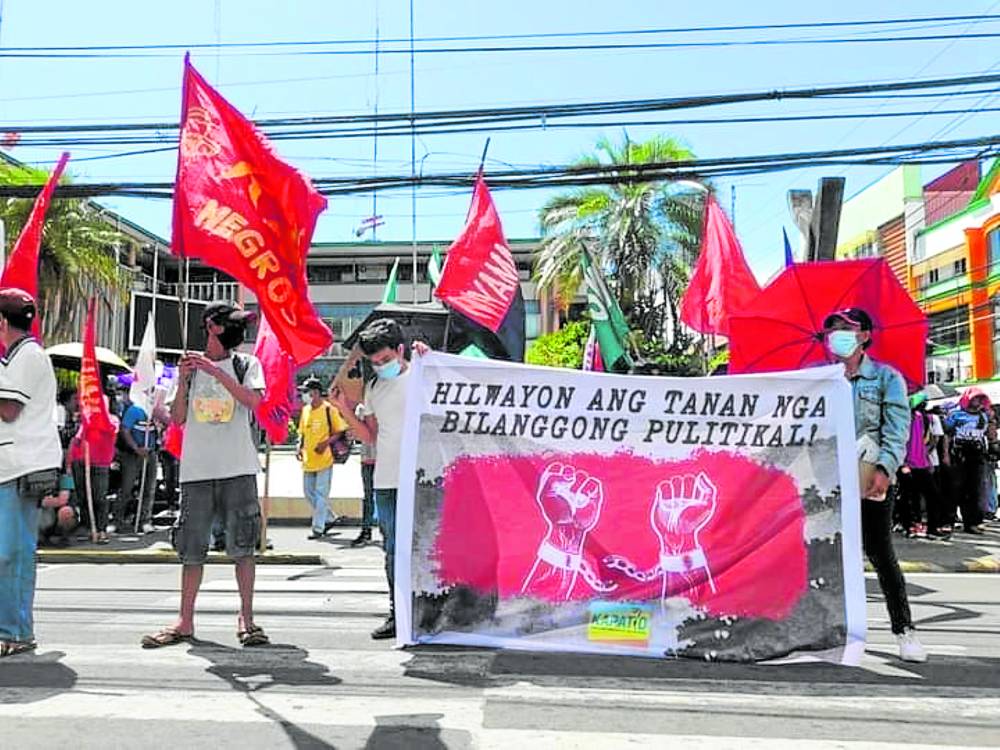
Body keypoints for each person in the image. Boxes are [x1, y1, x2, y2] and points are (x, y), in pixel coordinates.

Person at [141, 301, 268, 649]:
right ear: (212, 325)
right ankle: (184, 621)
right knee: (191, 549)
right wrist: (184, 380)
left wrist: (216, 372)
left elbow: (252, 402)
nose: (239, 332)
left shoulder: (247, 364)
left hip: (238, 469)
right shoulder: (190, 367)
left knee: (243, 546)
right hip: (196, 472)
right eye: (233, 324)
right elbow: (178, 417)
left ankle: (247, 618)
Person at [823, 307, 926, 663]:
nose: (839, 333)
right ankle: (827, 630)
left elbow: (896, 429)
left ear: (865, 334)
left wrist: (884, 468)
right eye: (833, 328)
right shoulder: (817, 378)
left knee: (880, 554)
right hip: (826, 482)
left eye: (847, 328)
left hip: (870, 477)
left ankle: (905, 630)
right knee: (824, 555)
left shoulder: (885, 378)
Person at [330, 320, 427, 640]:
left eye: (385, 360)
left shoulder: (424, 374)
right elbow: (369, 435)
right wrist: (344, 409)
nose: (381, 366)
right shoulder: (374, 388)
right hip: (386, 480)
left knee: (424, 547)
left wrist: (429, 358)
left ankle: (428, 611)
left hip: (424, 478)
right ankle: (397, 612)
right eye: (375, 363)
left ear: (401, 351)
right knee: (392, 550)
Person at [0, 289, 65, 657]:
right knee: (15, 551)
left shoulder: (25, 356)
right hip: (16, 462)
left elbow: (9, 409)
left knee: (10, 552)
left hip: (17, 464)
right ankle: (16, 628)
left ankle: (13, 630)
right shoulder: (20, 355)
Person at [296, 376, 348, 540]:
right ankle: (330, 518)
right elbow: (302, 432)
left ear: (316, 392)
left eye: (307, 391)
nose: (305, 395)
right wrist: (299, 446)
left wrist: (325, 443)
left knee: (320, 494)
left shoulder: (328, 409)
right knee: (308, 492)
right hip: (308, 459)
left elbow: (339, 431)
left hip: (325, 459)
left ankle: (318, 528)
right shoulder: (305, 410)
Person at [897, 393, 947, 539]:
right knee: (907, 496)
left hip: (921, 463)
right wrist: (903, 464)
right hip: (905, 464)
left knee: (933, 495)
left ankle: (932, 529)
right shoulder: (900, 420)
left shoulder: (923, 418)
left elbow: (924, 442)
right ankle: (909, 527)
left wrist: (927, 461)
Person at [67, 409, 119, 544]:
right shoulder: (85, 420)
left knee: (99, 497)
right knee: (83, 496)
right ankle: (88, 527)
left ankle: (101, 528)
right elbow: (76, 440)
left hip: (100, 462)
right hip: (81, 461)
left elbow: (112, 429)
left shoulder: (112, 419)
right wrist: (69, 464)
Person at [944, 388, 990, 535]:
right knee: (954, 488)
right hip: (959, 454)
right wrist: (946, 454)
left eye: (980, 399)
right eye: (975, 399)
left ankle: (973, 523)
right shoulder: (956, 415)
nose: (977, 402)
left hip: (976, 455)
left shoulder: (983, 416)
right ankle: (948, 521)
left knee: (975, 490)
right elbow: (947, 435)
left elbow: (986, 434)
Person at [115, 398, 159, 534]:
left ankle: (144, 520)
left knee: (149, 488)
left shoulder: (155, 411)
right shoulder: (134, 410)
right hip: (132, 454)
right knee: (127, 487)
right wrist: (136, 448)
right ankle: (119, 520)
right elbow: (125, 430)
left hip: (151, 452)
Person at [352, 402, 377, 548]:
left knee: (388, 495)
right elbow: (356, 431)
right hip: (367, 457)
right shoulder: (361, 407)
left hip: (386, 458)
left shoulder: (387, 402)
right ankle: (366, 529)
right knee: (368, 496)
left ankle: (390, 530)